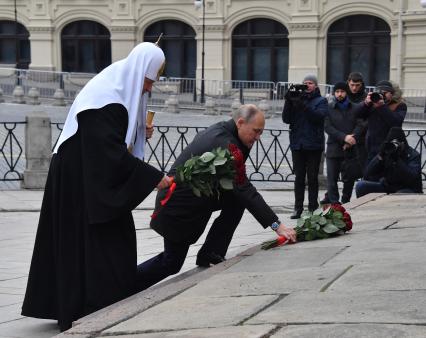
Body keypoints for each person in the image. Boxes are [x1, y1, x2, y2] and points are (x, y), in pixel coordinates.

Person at [21, 42, 172, 332]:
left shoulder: (117, 87)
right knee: (96, 243)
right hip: (80, 181)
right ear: (139, 72)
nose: (149, 89)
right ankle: (89, 306)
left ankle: (94, 303)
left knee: (101, 243)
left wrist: (141, 130)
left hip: (89, 176)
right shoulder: (107, 96)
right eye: (149, 81)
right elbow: (109, 153)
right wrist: (154, 177)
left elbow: (113, 141)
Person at [136, 105, 297, 291]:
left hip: (195, 200)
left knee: (237, 200)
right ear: (241, 123)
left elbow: (239, 188)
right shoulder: (225, 142)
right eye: (256, 131)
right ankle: (124, 286)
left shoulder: (228, 133)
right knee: (171, 262)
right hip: (178, 206)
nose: (258, 137)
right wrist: (277, 226)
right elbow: (243, 186)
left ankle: (211, 253)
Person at [282, 74, 328, 219]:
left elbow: (318, 118)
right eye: (305, 83)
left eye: (310, 83)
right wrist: (288, 101)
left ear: (315, 86)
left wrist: (303, 105)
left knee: (313, 178)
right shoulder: (296, 100)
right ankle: (298, 208)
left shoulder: (321, 101)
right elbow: (286, 119)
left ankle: (313, 207)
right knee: (299, 177)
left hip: (314, 144)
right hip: (298, 144)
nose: (307, 85)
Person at [324, 82, 366, 204]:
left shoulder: (355, 107)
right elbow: (328, 127)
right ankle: (335, 204)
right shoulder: (329, 108)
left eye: (342, 91)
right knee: (332, 180)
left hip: (350, 149)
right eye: (337, 92)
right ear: (334, 93)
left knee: (349, 179)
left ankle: (346, 202)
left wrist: (352, 138)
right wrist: (344, 137)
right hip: (333, 149)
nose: (340, 94)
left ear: (346, 93)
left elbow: (360, 124)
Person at [356, 127, 423, 197]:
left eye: (396, 144)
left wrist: (397, 160)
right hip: (389, 186)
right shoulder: (387, 152)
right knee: (361, 186)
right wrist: (380, 156)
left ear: (403, 143)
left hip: (408, 188)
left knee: (398, 195)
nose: (394, 147)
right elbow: (367, 173)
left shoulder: (413, 155)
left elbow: (412, 177)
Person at [356, 80, 407, 163]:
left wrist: (382, 106)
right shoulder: (372, 103)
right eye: (380, 93)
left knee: (388, 174)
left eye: (385, 93)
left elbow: (396, 122)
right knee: (370, 174)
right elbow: (357, 114)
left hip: (390, 147)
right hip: (372, 146)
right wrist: (365, 103)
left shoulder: (399, 105)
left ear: (392, 94)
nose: (382, 95)